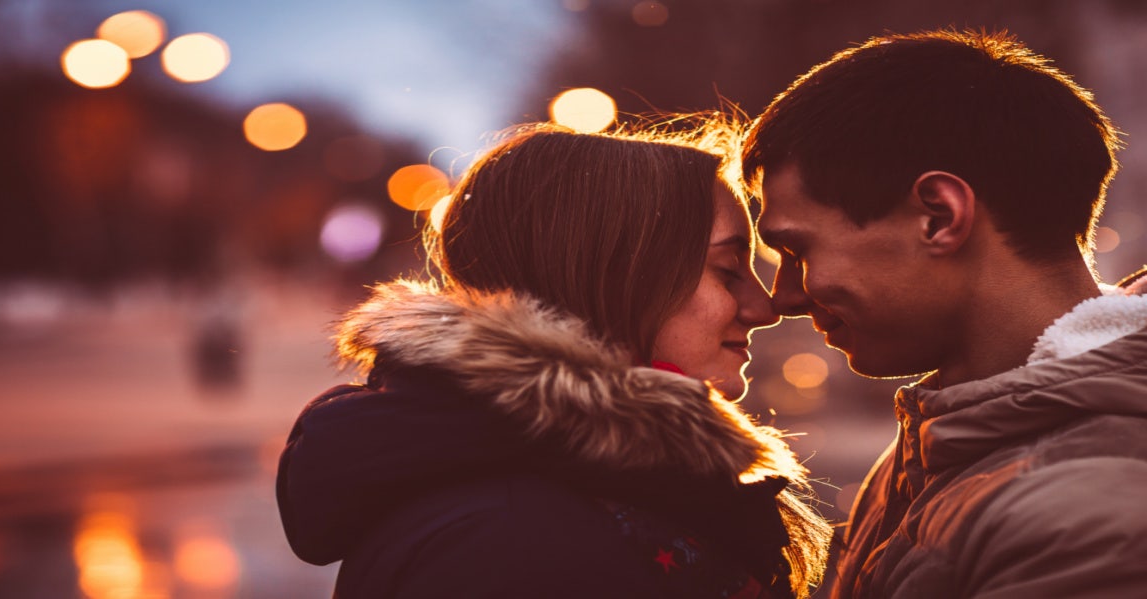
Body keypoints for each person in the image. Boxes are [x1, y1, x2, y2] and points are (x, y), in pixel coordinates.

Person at [277, 121, 832, 598]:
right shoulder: (511, 541)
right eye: (728, 270)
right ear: (613, 277)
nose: (764, 306)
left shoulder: (577, 482)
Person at [742, 29, 1147, 599]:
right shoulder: (940, 441)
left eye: (797, 250)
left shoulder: (1088, 514)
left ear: (939, 216)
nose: (781, 297)